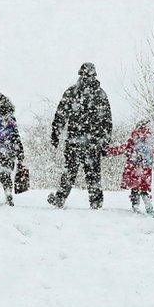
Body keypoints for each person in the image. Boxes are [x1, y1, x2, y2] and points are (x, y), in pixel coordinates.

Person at [47, 63, 113, 209]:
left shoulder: (73, 92)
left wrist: (55, 134)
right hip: (88, 141)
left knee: (73, 171)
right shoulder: (98, 94)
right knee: (90, 173)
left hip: (79, 141)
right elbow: (107, 122)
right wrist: (105, 142)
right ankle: (95, 202)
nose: (87, 78)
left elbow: (61, 115)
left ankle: (62, 198)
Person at [107, 120, 154, 217]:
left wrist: (108, 151)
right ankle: (149, 209)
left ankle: (135, 207)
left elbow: (122, 149)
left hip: (133, 168)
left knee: (135, 188)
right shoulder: (149, 141)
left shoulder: (133, 140)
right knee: (144, 189)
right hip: (145, 170)